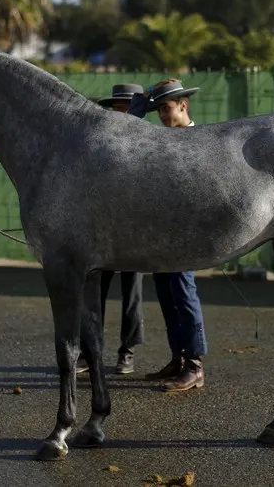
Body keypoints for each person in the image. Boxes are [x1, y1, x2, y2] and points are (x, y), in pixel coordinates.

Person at [139, 78, 209, 392]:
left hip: (184, 231)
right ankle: (178, 359)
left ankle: (195, 365)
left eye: (168, 109)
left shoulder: (200, 140)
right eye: (160, 112)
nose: (164, 117)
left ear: (184, 105)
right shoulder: (162, 139)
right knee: (167, 294)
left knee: (184, 292)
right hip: (160, 231)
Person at [76, 83, 147, 376]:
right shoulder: (99, 142)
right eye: (118, 107)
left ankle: (127, 351)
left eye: (127, 106)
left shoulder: (148, 141)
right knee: (94, 292)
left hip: (135, 230)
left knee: (132, 294)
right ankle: (89, 352)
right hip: (102, 231)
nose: (122, 112)